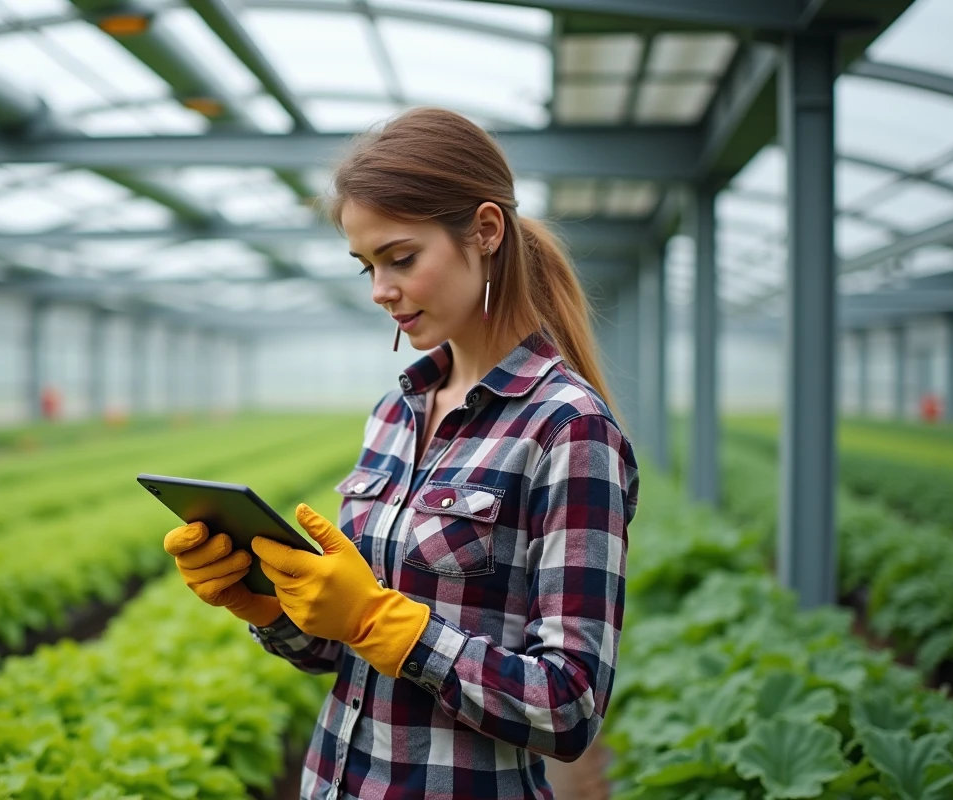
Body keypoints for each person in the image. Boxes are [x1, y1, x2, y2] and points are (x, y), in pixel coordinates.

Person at [163, 107, 639, 800]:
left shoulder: (566, 428)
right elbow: (345, 655)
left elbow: (567, 706)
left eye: (401, 258)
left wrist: (383, 622)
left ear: (484, 231)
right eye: (367, 266)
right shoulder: (394, 414)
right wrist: (266, 603)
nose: (381, 290)